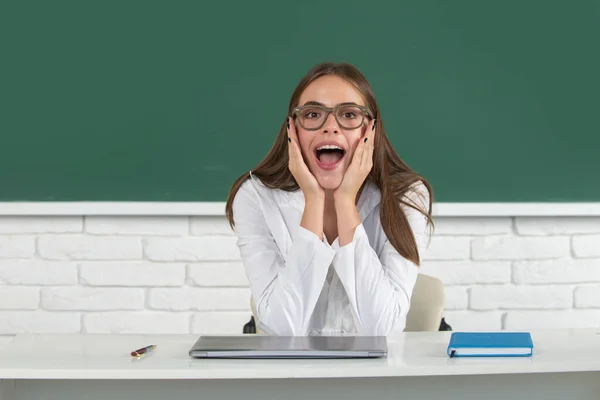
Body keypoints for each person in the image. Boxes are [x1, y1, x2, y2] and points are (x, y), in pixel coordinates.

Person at [225, 62, 434, 336]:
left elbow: (382, 328)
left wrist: (345, 203)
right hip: (293, 376)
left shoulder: (406, 195)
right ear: (292, 129)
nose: (330, 127)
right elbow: (282, 330)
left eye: (349, 114)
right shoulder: (255, 197)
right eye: (313, 114)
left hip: (376, 377)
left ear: (370, 130)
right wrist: (313, 201)